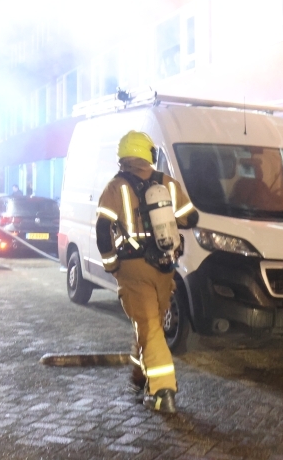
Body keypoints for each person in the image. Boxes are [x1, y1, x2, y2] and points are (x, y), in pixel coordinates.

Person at [94, 131, 198, 414]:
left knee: (150, 328)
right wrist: (164, 218)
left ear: (123, 157)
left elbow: (103, 230)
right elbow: (191, 218)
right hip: (164, 268)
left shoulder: (115, 187)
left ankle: (163, 392)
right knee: (149, 324)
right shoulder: (168, 183)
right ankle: (140, 378)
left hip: (133, 268)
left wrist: (111, 264)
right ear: (149, 154)